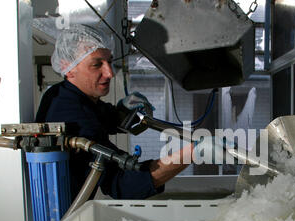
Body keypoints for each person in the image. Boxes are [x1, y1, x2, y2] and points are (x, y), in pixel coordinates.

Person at [36, 24, 205, 202]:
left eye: (109, 61)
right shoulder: (71, 113)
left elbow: (98, 116)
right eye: (96, 65)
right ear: (68, 67)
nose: (109, 73)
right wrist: (193, 153)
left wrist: (120, 114)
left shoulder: (61, 94)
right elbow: (123, 185)